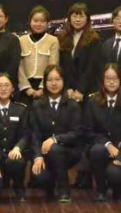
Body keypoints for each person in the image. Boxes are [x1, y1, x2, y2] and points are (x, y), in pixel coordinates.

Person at [57, 2, 100, 188]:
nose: (78, 19)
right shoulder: (63, 38)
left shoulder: (94, 39)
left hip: (87, 94)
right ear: (69, 18)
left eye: (81, 15)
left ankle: (85, 177)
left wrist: (80, 90)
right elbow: (62, 67)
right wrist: (67, 88)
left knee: (86, 135)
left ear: (87, 19)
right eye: (74, 15)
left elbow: (91, 68)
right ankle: (72, 175)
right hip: (68, 93)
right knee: (72, 134)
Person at [29, 65, 83, 203]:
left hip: (69, 151)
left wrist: (55, 139)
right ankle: (50, 183)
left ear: (63, 81)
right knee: (40, 176)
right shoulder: (37, 105)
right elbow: (35, 133)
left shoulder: (73, 105)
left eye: (57, 79)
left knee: (55, 149)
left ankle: (64, 190)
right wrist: (37, 157)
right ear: (45, 82)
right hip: (45, 153)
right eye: (50, 80)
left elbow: (77, 133)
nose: (54, 83)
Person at [83, 64, 121, 202]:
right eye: (108, 79)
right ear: (102, 80)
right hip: (101, 149)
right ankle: (100, 189)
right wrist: (107, 144)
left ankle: (118, 190)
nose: (111, 82)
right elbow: (88, 131)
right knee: (97, 150)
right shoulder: (93, 102)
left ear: (120, 80)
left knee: (115, 174)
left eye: (115, 78)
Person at [0, 72, 29, 202]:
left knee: (17, 160)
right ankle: (3, 180)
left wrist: (18, 147)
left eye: (7, 85)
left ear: (13, 88)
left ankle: (18, 186)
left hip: (12, 156)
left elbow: (26, 134)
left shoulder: (21, 110)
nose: (3, 89)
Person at [18, 6, 60, 106]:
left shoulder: (53, 40)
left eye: (42, 21)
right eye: (35, 21)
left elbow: (53, 65)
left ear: (47, 23)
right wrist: (26, 88)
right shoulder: (21, 40)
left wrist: (42, 88)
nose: (38, 24)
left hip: (46, 86)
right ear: (30, 22)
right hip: (25, 88)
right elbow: (19, 66)